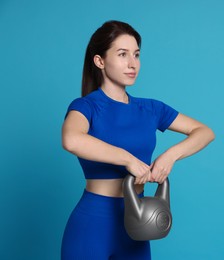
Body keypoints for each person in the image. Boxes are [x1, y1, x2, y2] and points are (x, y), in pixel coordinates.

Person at [60, 20, 215, 260]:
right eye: (122, 54)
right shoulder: (85, 107)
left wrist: (169, 156)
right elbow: (72, 140)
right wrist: (128, 160)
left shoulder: (151, 109)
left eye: (136, 55)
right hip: (93, 223)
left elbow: (204, 132)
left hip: (138, 222)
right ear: (100, 61)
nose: (132, 64)